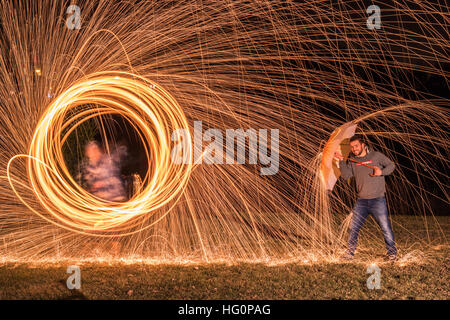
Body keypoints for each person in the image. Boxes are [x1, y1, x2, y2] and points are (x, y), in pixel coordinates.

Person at [334, 134, 397, 261]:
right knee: (353, 228)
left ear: (363, 145)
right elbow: (346, 176)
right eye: (352, 147)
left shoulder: (376, 156)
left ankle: (392, 254)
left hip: (377, 200)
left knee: (385, 227)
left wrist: (381, 172)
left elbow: (391, 166)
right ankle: (349, 253)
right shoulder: (352, 159)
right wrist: (341, 161)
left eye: (356, 146)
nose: (354, 149)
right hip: (361, 201)